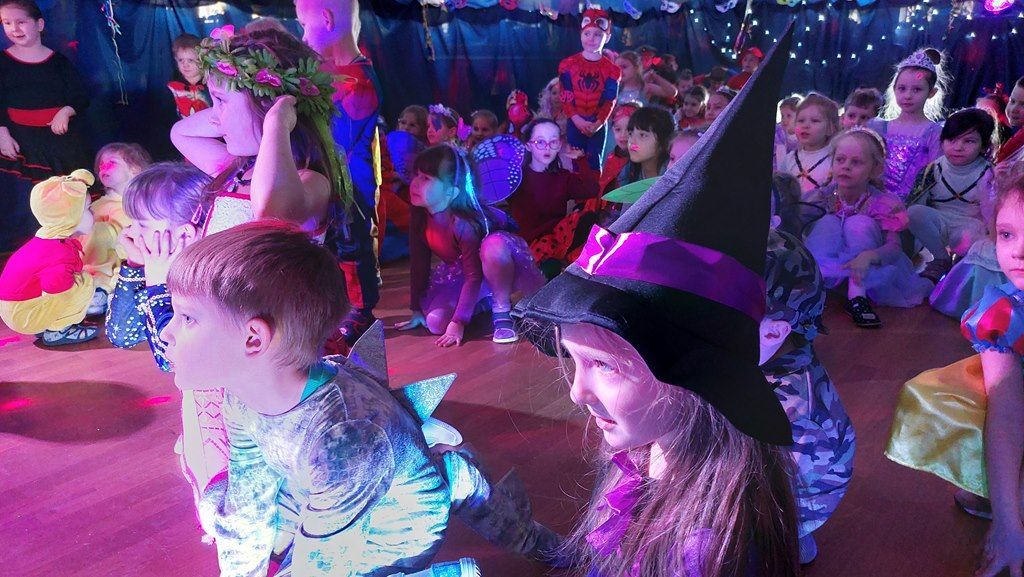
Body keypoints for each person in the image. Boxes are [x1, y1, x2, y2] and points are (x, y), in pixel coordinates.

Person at [513, 28, 801, 576]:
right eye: (574, 359)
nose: (575, 392)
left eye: (603, 364)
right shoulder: (642, 452)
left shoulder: (701, 551)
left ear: (698, 375)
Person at [162, 221, 561, 577]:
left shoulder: (344, 437)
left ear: (254, 338)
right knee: (225, 508)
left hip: (396, 524)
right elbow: (249, 500)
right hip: (325, 491)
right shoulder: (241, 399)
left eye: (187, 318)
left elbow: (320, 566)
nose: (167, 333)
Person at [886, 172, 1024, 577]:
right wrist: (1008, 524)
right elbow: (1007, 413)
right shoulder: (1005, 314)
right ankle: (996, 494)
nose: (1018, 252)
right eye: (1007, 234)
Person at [760, 229, 855, 565]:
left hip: (791, 506)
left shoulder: (792, 410)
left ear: (774, 330)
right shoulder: (770, 349)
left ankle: (786, 542)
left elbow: (759, 487)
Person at [295, 0, 386, 346]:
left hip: (350, 188)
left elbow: (338, 141)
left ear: (327, 19)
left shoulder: (358, 81)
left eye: (304, 26)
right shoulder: (334, 75)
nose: (303, 37)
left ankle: (360, 313)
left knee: (351, 246)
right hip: (328, 183)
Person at [397, 145, 543, 345]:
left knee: (493, 245)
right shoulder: (420, 217)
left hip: (496, 265)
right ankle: (483, 301)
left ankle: (501, 308)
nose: (415, 183)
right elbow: (419, 264)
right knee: (435, 323)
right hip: (465, 273)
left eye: (426, 178)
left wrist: (458, 321)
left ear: (451, 191)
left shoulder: (463, 224)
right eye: (417, 175)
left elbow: (474, 275)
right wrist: (416, 310)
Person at [804, 128, 933, 327]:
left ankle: (857, 296)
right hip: (833, 271)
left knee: (858, 223)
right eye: (840, 160)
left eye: (856, 162)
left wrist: (870, 256)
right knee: (826, 223)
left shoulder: (882, 203)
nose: (846, 166)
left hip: (869, 272)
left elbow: (894, 248)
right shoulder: (821, 197)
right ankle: (813, 291)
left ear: (875, 169)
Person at [0, 170, 97, 346]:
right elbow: (58, 290)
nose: (93, 213)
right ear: (69, 216)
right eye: (88, 209)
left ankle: (47, 323)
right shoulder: (58, 253)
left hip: (19, 309)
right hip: (24, 315)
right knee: (84, 284)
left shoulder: (47, 241)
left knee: (73, 281)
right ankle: (59, 330)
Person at [907, 108, 996, 283]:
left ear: (984, 146)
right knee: (914, 213)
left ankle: (963, 266)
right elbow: (915, 203)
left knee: (973, 238)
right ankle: (941, 259)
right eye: (951, 139)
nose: (958, 147)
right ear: (942, 141)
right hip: (939, 222)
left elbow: (991, 214)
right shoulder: (933, 169)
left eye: (968, 141)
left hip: (970, 226)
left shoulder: (988, 174)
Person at [510, 118, 599, 277]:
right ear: (528, 145)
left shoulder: (563, 177)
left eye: (553, 142)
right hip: (522, 246)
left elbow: (592, 190)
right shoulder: (516, 177)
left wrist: (581, 160)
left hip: (554, 245)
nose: (547, 148)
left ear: (559, 145)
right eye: (540, 142)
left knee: (588, 218)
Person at [867, 48, 947, 202]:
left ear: (931, 93)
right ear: (894, 89)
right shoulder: (877, 128)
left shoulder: (934, 133)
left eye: (917, 89)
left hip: (911, 205)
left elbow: (934, 177)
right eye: (902, 89)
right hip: (871, 200)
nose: (908, 96)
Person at [81, 142, 152, 316]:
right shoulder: (96, 205)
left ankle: (103, 293)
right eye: (100, 165)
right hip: (86, 263)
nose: (103, 168)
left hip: (118, 267)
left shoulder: (139, 205)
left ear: (134, 169)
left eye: (111, 162)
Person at [558, 7, 621, 171]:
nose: (591, 39)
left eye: (597, 34)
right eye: (587, 34)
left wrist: (598, 123)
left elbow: (610, 100)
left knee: (594, 165)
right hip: (574, 121)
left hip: (598, 124)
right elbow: (565, 95)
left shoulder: (613, 70)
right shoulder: (567, 65)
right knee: (575, 164)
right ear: (580, 34)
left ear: (607, 37)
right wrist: (576, 120)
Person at [778, 93, 840, 196]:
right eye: (801, 120)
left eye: (815, 121)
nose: (805, 125)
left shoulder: (835, 160)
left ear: (830, 128)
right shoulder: (788, 160)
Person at [167, 33, 212, 119]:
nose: (185, 65)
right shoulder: (173, 86)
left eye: (190, 60)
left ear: (202, 60)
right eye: (181, 60)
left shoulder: (211, 84)